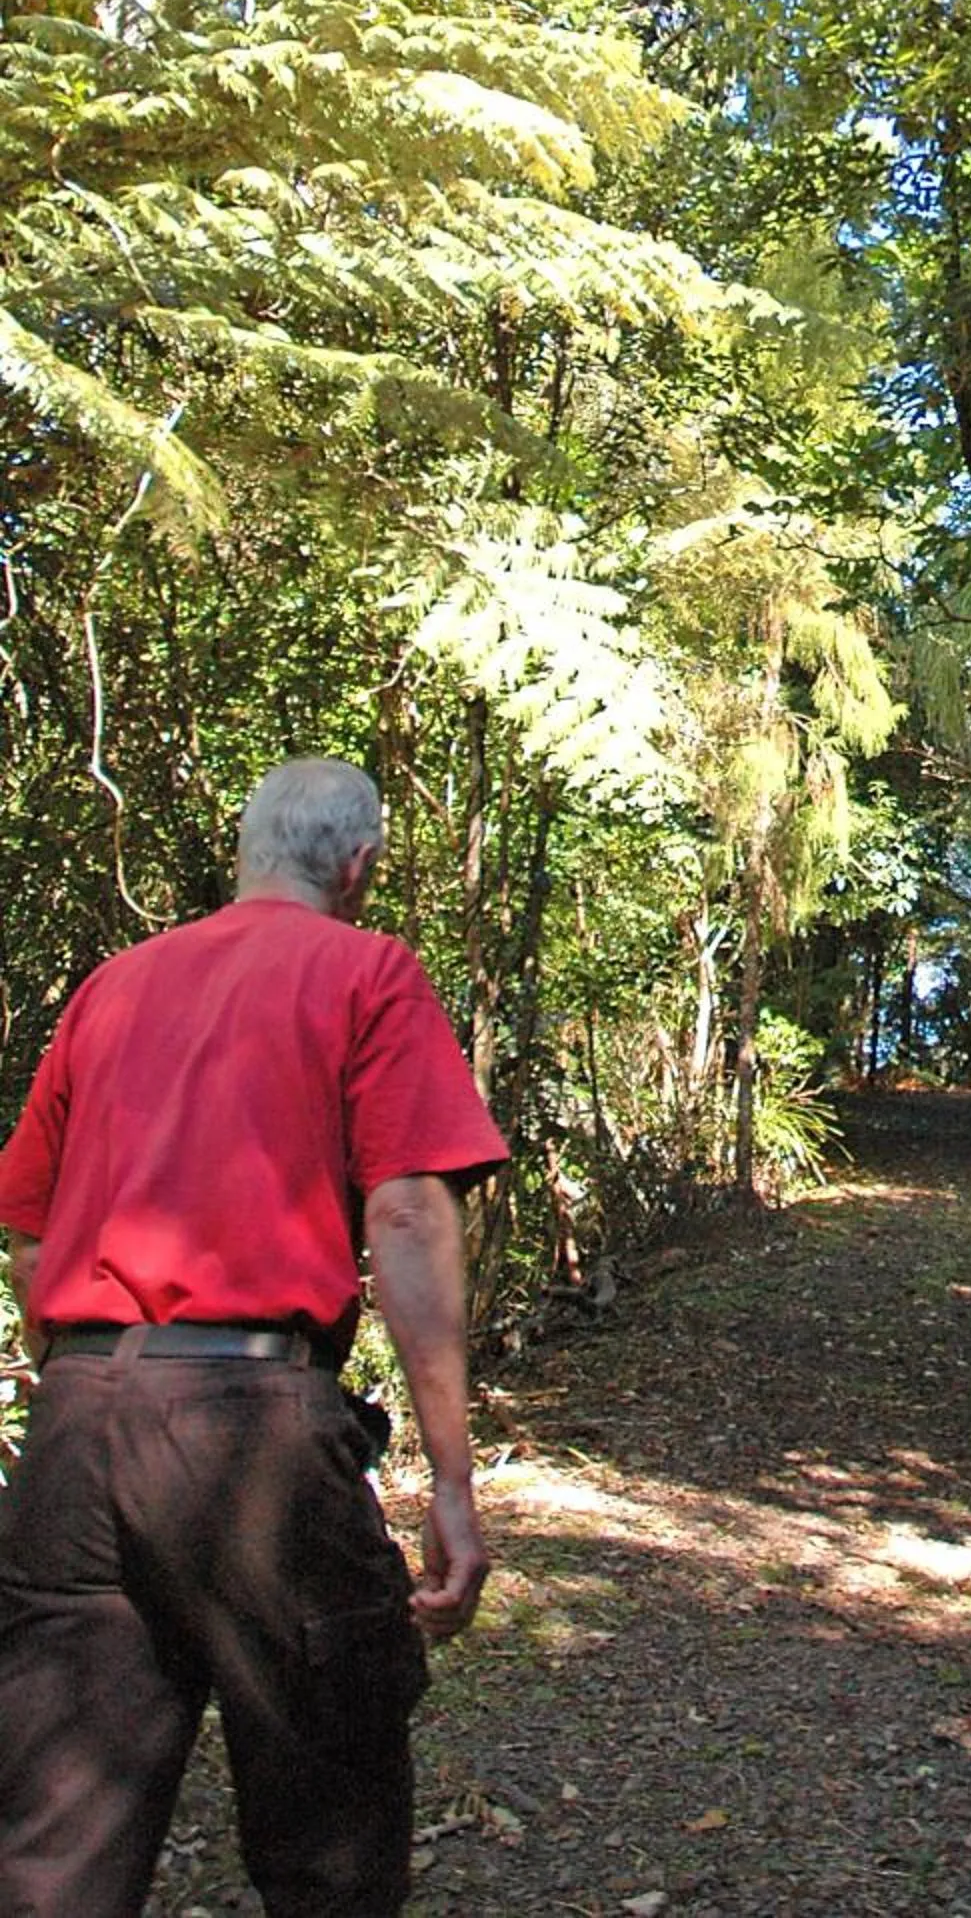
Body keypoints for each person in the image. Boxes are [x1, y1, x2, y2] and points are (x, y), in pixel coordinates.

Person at [0, 757, 510, 1918]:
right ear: (359, 864)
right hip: (250, 1423)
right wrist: (451, 1481)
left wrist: (87, 1391)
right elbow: (405, 1213)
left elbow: (30, 1234)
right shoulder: (367, 971)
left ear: (247, 854)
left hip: (77, 1426)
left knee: (54, 1838)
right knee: (329, 1820)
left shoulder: (115, 984)